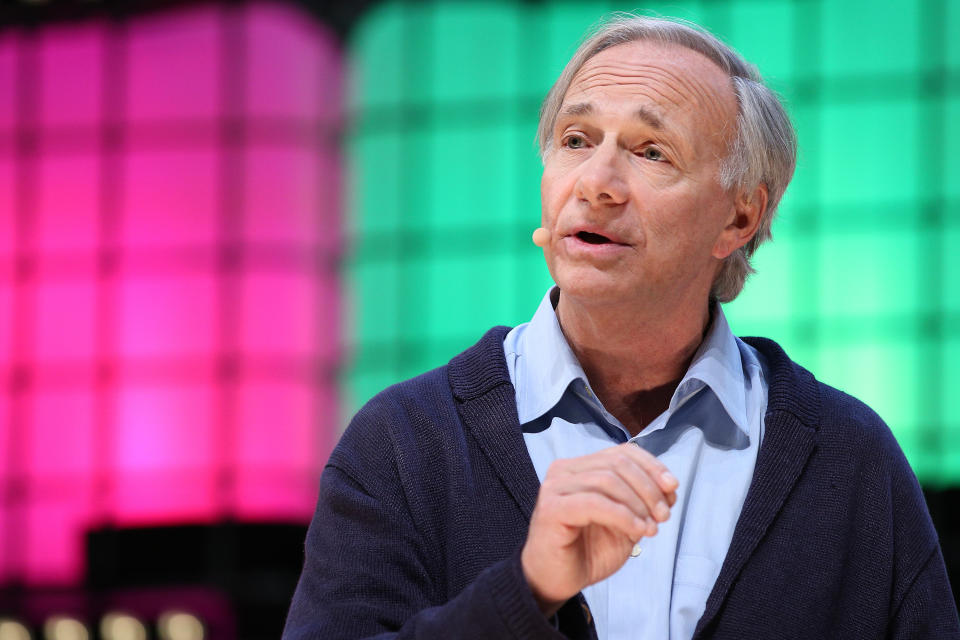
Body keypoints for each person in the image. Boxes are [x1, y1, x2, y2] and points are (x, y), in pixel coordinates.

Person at [283, 13, 960, 640]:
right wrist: (526, 591)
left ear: (739, 219)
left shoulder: (849, 459)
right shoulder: (405, 443)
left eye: (651, 151)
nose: (597, 181)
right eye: (576, 141)